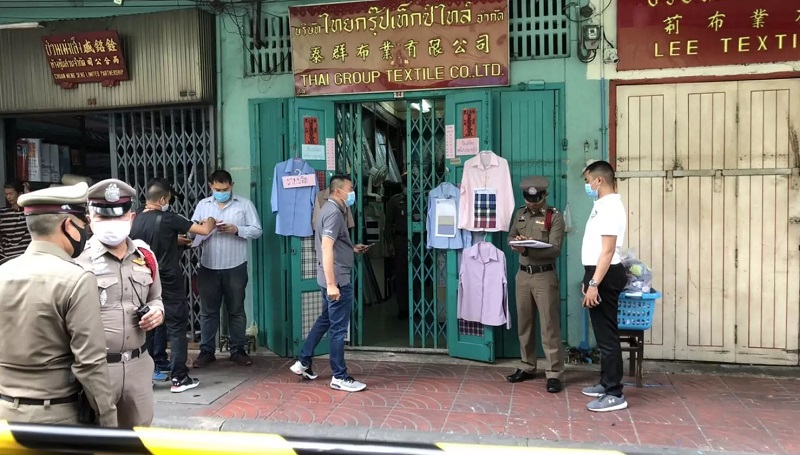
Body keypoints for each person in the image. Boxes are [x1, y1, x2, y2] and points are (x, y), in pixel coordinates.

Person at [0, 182, 117, 426]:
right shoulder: (77, 280)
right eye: (83, 225)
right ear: (68, 225)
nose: (86, 233)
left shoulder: (3, 272)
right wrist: (108, 420)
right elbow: (90, 364)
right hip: (55, 417)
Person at [76, 179, 165, 427]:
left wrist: (157, 312)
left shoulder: (145, 257)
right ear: (90, 219)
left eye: (118, 217)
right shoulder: (77, 261)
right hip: (98, 371)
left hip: (138, 366)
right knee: (99, 442)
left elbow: (156, 298)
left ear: (131, 217)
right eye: (103, 218)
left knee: (139, 439)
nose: (111, 225)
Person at [131, 178, 216, 392]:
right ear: (161, 199)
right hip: (168, 280)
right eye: (168, 199)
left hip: (142, 279)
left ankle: (144, 376)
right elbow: (204, 230)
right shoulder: (169, 218)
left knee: (147, 327)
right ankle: (179, 377)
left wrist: (173, 241)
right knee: (177, 326)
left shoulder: (135, 219)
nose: (169, 203)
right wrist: (213, 219)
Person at [290, 174, 370, 392]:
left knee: (325, 319)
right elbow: (326, 247)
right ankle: (339, 376)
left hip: (328, 275)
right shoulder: (334, 213)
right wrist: (333, 284)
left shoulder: (330, 210)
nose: (352, 192)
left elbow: (333, 244)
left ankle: (303, 361)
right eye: (350, 188)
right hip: (337, 278)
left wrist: (350, 248)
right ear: (338, 191)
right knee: (337, 328)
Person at [190, 170, 263, 368]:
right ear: (210, 186)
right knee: (208, 312)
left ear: (232, 185)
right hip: (208, 266)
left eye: (225, 188)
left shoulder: (244, 205)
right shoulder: (203, 205)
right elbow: (193, 229)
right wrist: (205, 230)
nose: (221, 192)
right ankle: (207, 351)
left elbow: (257, 230)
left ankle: (237, 350)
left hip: (235, 266)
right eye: (217, 189)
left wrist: (237, 229)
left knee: (236, 310)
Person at [507, 176, 565, 393]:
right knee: (525, 324)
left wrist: (527, 249)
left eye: (536, 198)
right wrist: (516, 243)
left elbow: (555, 249)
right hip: (523, 276)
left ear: (544, 196)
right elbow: (511, 236)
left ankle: (554, 373)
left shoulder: (554, 216)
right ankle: (528, 366)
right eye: (528, 198)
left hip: (544, 276)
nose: (532, 202)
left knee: (549, 326)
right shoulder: (520, 213)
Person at [580, 160, 629, 412]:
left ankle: (614, 393)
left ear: (599, 180)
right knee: (602, 334)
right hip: (597, 273)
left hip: (606, 275)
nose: (587, 186)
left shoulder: (610, 207)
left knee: (608, 336)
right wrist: (588, 278)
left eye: (588, 181)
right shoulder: (600, 205)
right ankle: (605, 382)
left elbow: (608, 251)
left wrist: (594, 283)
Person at [385, 180, 410, 319]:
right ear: (402, 186)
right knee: (401, 274)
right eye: (405, 185)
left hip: (417, 240)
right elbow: (388, 223)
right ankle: (403, 308)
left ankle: (417, 306)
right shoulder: (395, 201)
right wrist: (389, 243)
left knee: (417, 275)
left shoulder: (419, 198)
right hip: (400, 239)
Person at [0, 180, 32, 260]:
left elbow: (37, 212)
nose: (8, 197)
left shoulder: (29, 213)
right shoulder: (3, 213)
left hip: (24, 257)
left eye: (11, 194)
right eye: (6, 194)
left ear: (19, 193)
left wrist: (27, 195)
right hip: (5, 257)